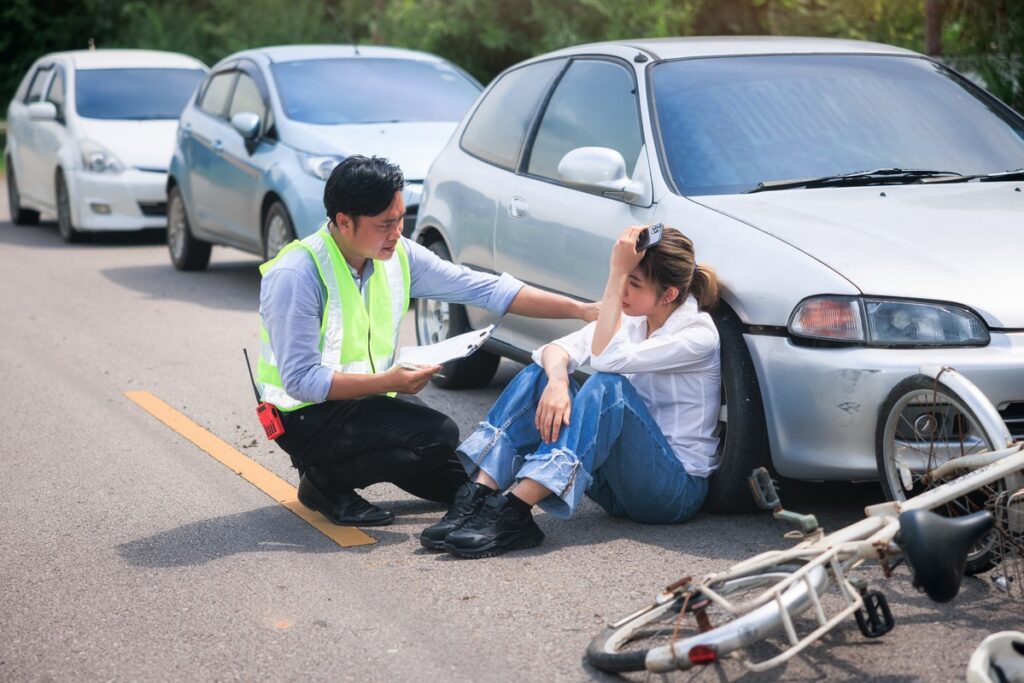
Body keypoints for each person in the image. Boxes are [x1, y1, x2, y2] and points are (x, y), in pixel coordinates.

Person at [257, 155, 598, 526]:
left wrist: (579, 310)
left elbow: (485, 290)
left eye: (402, 218)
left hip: (363, 398)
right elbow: (301, 381)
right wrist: (390, 382)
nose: (397, 232)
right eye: (385, 224)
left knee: (461, 484)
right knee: (437, 434)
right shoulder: (297, 274)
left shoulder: (397, 254)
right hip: (302, 415)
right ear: (343, 221)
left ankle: (346, 463)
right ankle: (323, 481)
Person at [421, 225, 721, 558]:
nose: (620, 292)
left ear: (669, 295)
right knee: (543, 373)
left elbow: (608, 361)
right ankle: (478, 494)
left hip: (672, 492)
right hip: (614, 487)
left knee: (609, 387)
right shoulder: (633, 319)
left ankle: (513, 510)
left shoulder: (698, 336)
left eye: (631, 283)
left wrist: (616, 271)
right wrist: (558, 382)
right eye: (623, 280)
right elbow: (553, 349)